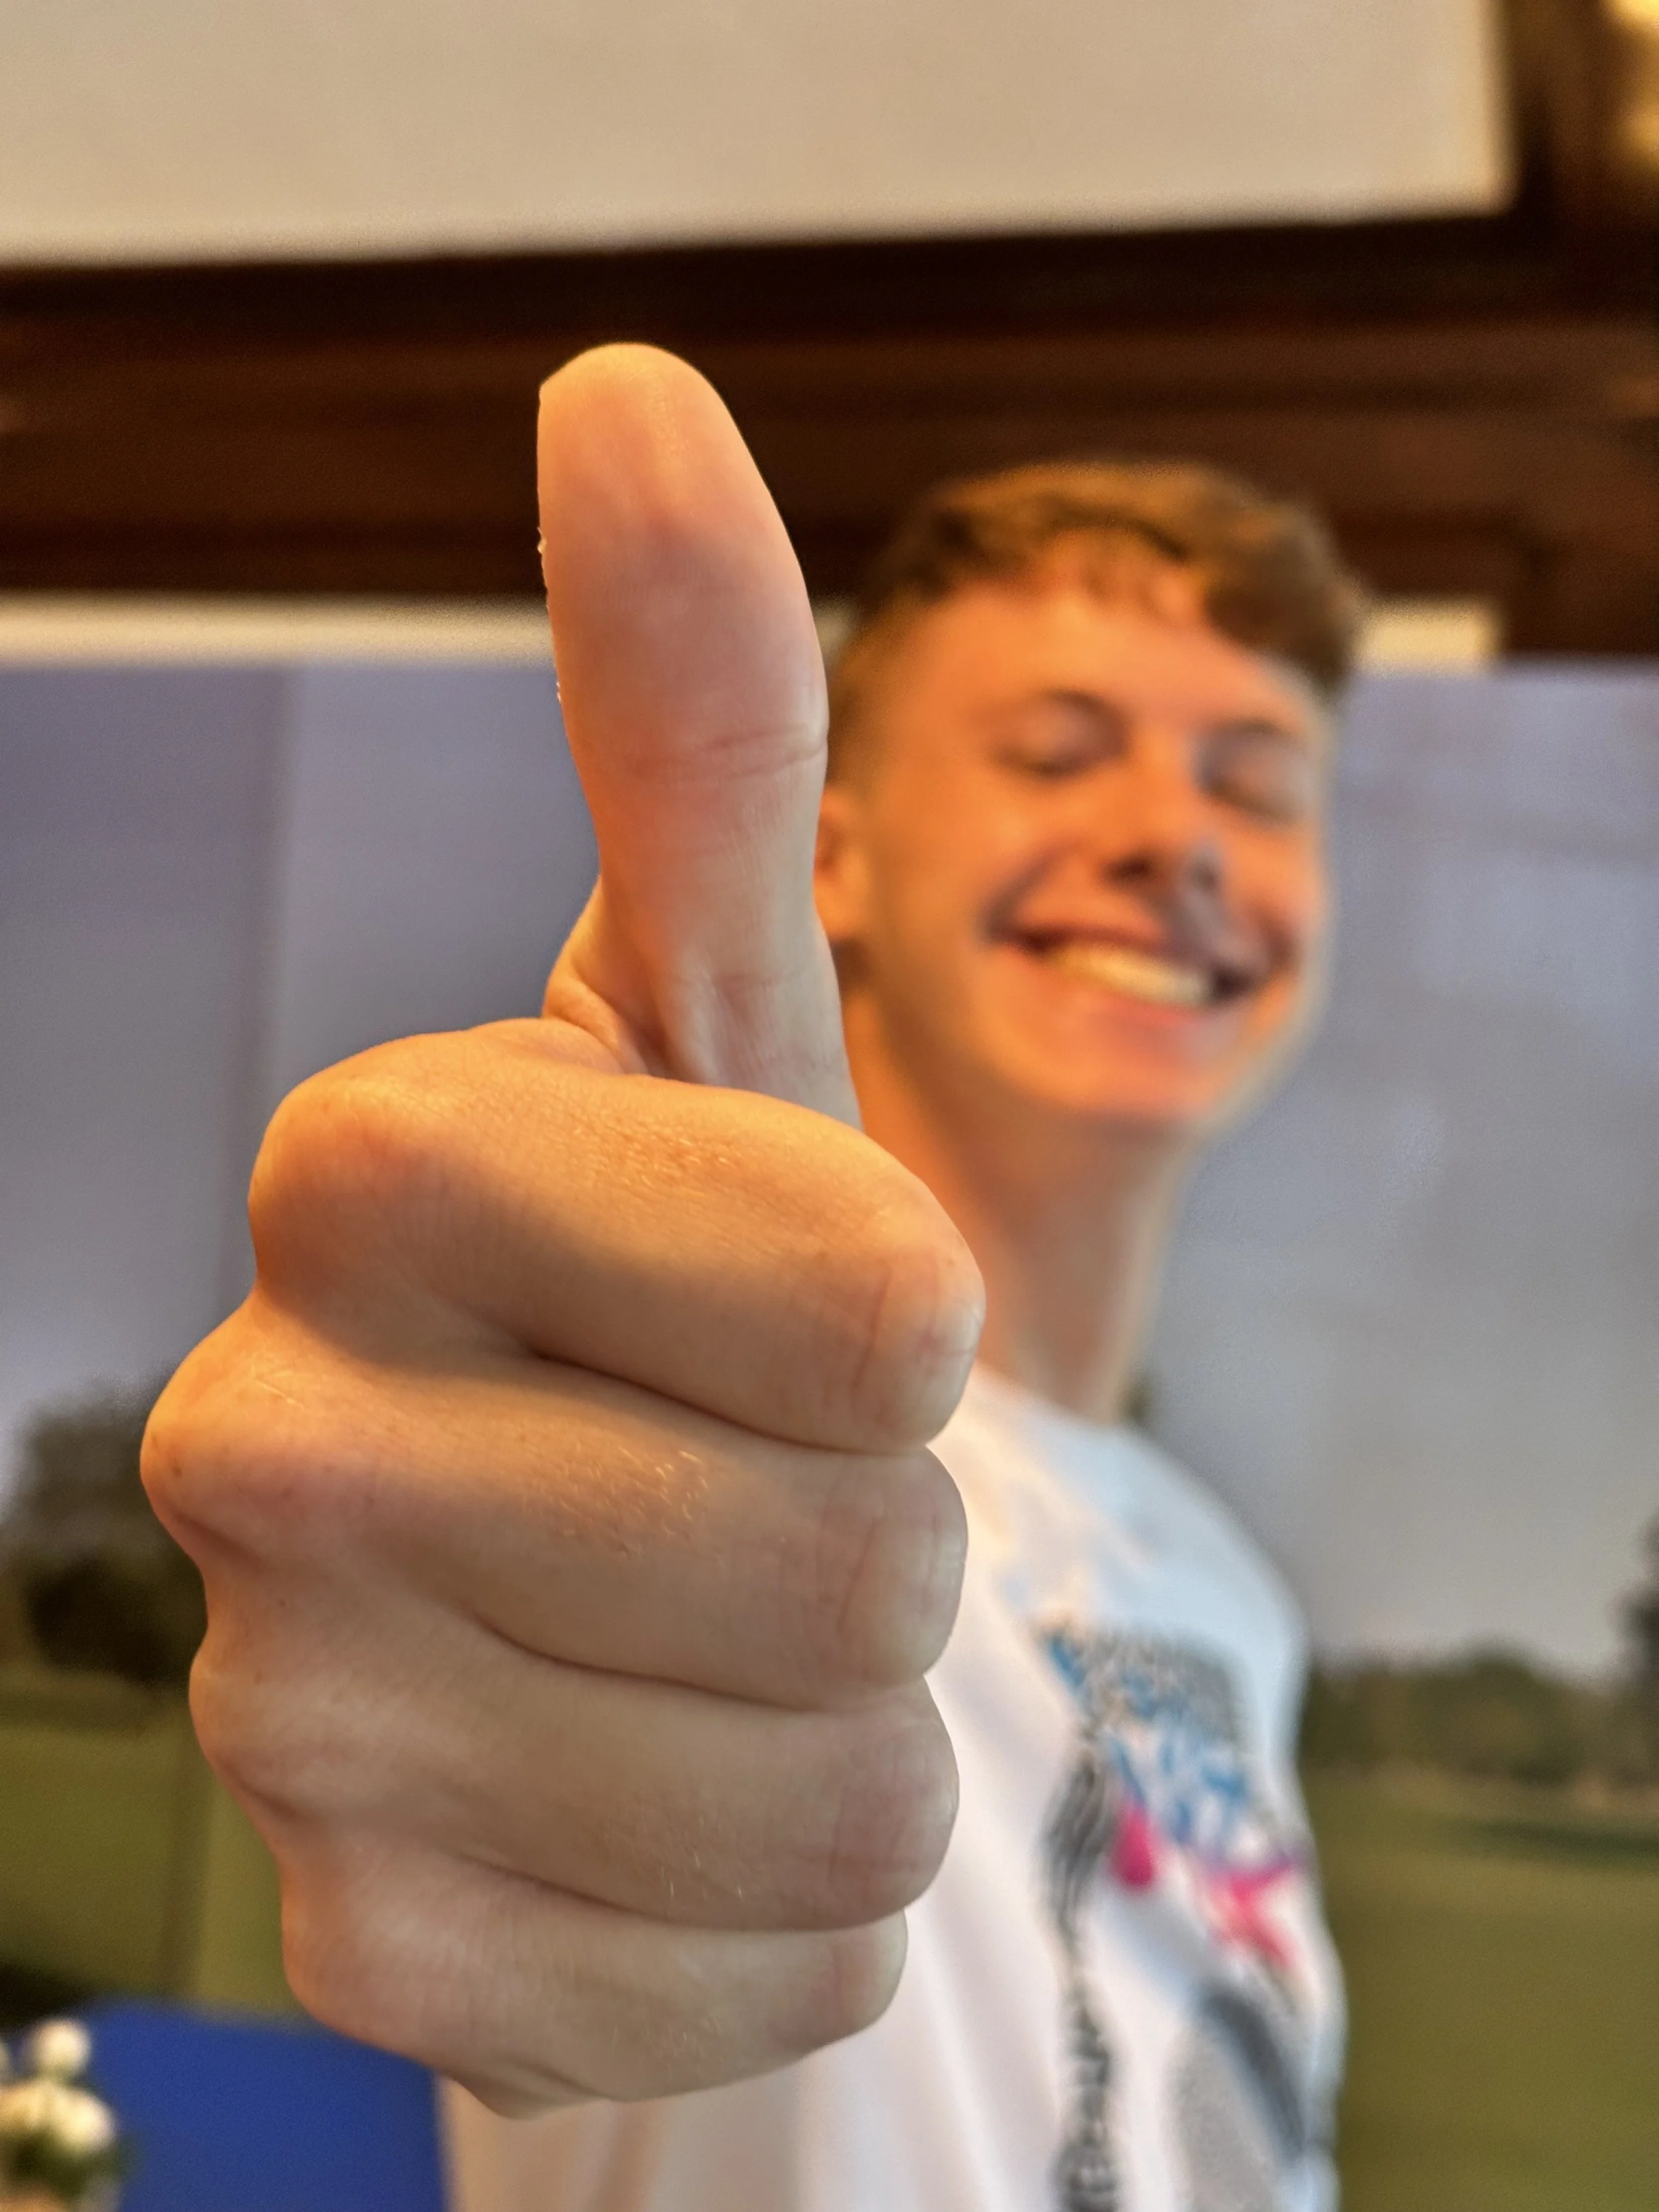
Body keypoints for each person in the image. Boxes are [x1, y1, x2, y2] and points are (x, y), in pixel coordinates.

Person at [143, 345, 1362, 2212]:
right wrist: (491, 1480)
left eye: (1255, 782)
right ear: (830, 855)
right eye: (1054, 752)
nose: (1174, 837)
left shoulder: (1228, 1590)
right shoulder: (710, 1443)